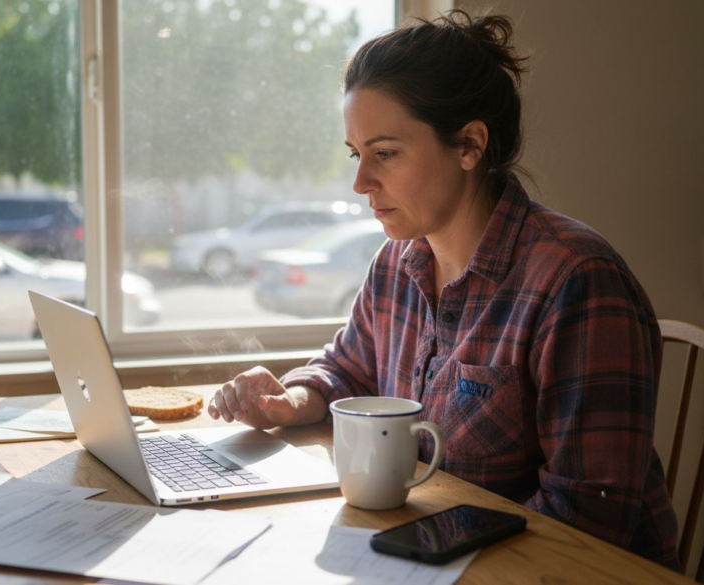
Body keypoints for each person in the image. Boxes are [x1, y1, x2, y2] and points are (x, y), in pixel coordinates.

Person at [207, 10, 679, 570]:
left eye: (385, 153)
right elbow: (350, 371)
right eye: (357, 154)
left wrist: (422, 556)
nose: (360, 183)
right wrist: (292, 402)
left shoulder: (576, 281)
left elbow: (589, 517)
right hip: (425, 546)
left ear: (470, 145)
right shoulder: (397, 261)